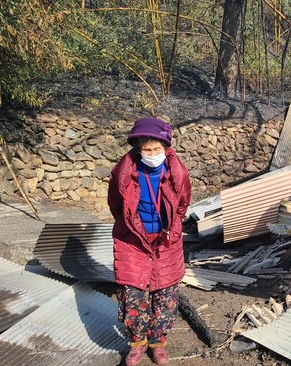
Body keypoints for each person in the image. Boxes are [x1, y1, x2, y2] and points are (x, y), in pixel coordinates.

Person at [108, 116, 191, 366]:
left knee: (165, 293)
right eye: (147, 150)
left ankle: (157, 342)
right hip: (132, 239)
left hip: (166, 240)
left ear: (166, 148)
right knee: (130, 292)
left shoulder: (177, 172)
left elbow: (182, 204)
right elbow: (115, 203)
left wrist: (170, 229)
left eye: (157, 149)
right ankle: (137, 342)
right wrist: (131, 226)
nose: (152, 153)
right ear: (138, 149)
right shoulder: (125, 172)